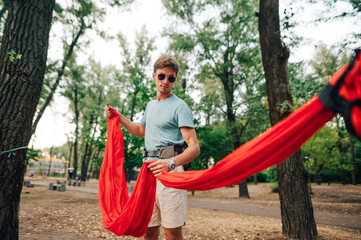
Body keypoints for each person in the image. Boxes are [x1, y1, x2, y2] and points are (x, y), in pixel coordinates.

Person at [105, 56, 200, 240]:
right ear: (154, 76)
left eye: (171, 78)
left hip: (170, 173)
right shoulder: (150, 106)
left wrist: (171, 163)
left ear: (174, 80)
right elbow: (141, 130)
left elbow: (194, 148)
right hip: (147, 172)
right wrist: (118, 116)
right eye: (162, 76)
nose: (166, 81)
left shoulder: (180, 107)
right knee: (149, 229)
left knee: (172, 231)